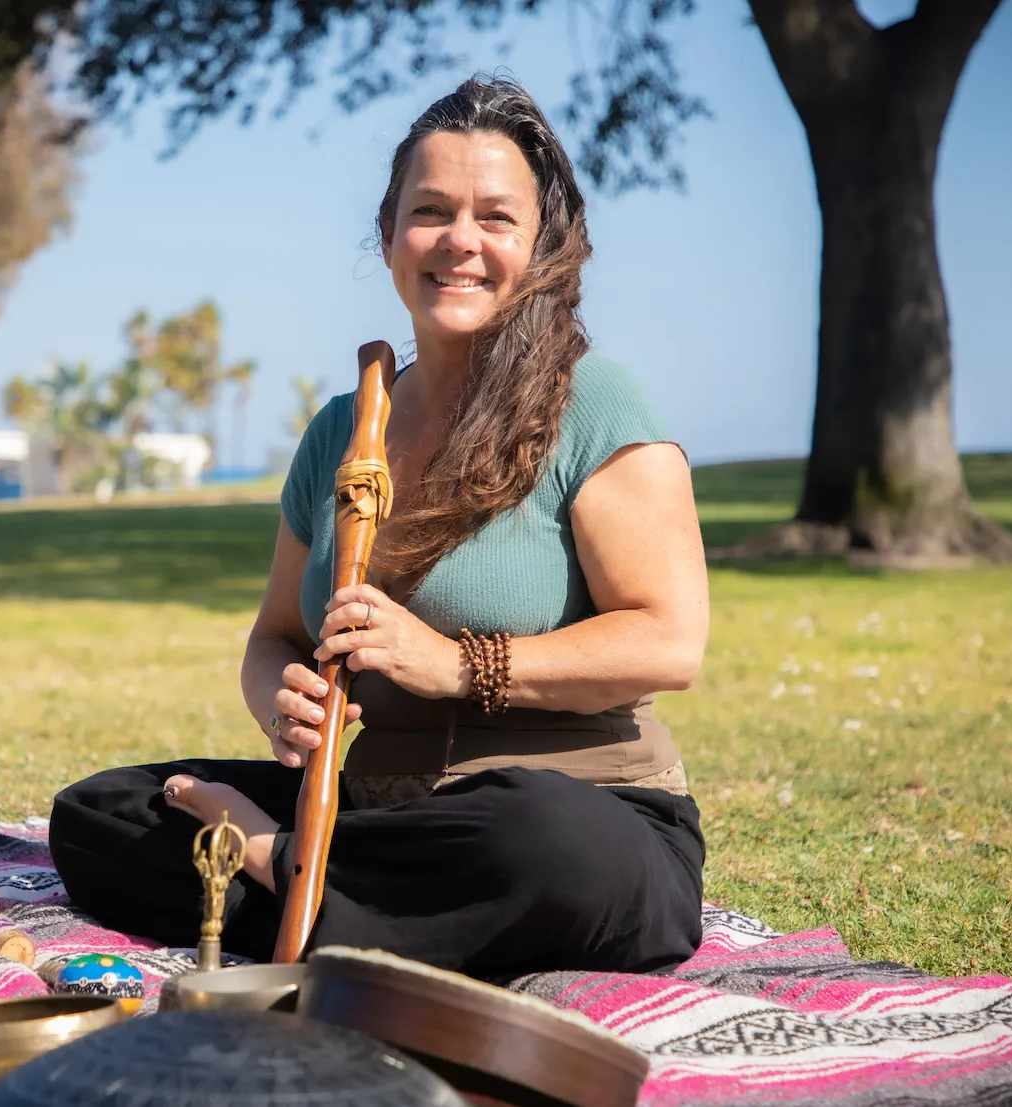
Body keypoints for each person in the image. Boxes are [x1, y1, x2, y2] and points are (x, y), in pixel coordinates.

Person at [50, 75, 709, 981]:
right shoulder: (340, 429)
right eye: (430, 211)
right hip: (377, 816)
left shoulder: (592, 403)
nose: (460, 241)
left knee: (542, 842)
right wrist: (277, 701)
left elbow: (667, 641)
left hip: (583, 811)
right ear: (388, 235)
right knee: (99, 812)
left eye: (496, 218)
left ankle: (275, 870)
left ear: (542, 244)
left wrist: (454, 664)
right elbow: (274, 634)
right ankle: (337, 891)